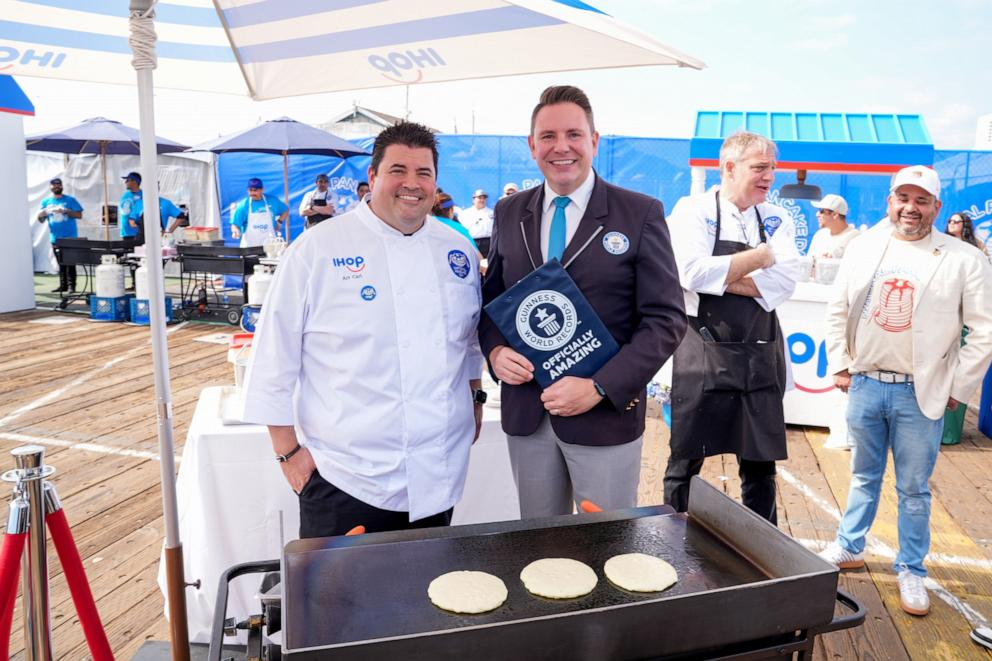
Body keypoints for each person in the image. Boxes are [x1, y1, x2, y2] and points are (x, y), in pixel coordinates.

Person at [240, 122, 485, 539]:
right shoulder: (317, 249)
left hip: (435, 476)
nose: (411, 184)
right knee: (338, 602)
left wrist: (475, 401)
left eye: (423, 173)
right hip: (344, 479)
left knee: (428, 596)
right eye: (397, 170)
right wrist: (289, 456)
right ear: (372, 177)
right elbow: (272, 359)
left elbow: (469, 343)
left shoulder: (456, 248)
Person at [480, 85, 687, 518]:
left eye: (573, 134)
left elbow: (666, 320)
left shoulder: (639, 213)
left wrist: (598, 387)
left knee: (607, 549)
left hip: (604, 419)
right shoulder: (509, 212)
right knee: (538, 550)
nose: (562, 147)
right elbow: (491, 300)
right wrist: (496, 350)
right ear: (532, 145)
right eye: (548, 136)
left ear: (594, 141)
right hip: (528, 413)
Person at [819, 165, 992, 616]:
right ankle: (849, 545)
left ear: (936, 206)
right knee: (862, 474)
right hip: (866, 384)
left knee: (914, 489)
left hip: (922, 393)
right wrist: (840, 362)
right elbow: (838, 306)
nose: (910, 208)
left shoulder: (962, 257)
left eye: (921, 200)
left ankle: (912, 569)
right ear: (889, 201)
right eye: (903, 198)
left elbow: (984, 329)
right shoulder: (866, 246)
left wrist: (959, 386)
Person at [664, 131, 801, 524]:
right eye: (760, 168)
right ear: (728, 167)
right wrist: (759, 257)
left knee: (761, 468)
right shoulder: (693, 210)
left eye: (772, 168)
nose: (769, 177)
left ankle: (764, 552)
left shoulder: (777, 217)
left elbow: (785, 282)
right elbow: (688, 271)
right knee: (684, 461)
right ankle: (672, 538)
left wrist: (720, 277)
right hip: (702, 354)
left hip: (759, 353)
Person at [37, 177, 83, 293]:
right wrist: (41, 215)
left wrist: (65, 211)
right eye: (54, 185)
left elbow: (79, 215)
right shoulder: (46, 202)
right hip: (55, 238)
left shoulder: (70, 200)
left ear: (62, 186)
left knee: (71, 262)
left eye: (59, 184)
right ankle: (63, 286)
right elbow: (41, 220)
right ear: (50, 187)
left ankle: (72, 286)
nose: (56, 186)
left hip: (70, 237)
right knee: (61, 262)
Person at [230, 178, 289, 247]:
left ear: (262, 189)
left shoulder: (272, 201)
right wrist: (235, 231)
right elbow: (235, 224)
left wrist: (279, 222)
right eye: (250, 190)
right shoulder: (243, 205)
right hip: (249, 247)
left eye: (255, 190)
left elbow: (286, 210)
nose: (252, 193)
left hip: (270, 246)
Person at [808, 193, 860, 259]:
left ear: (835, 215)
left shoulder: (856, 238)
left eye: (821, 211)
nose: (817, 214)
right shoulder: (819, 235)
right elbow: (809, 263)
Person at [461, 188, 494, 255]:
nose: (482, 200)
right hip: (473, 242)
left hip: (489, 242)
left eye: (484, 198)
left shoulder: (492, 212)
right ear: (473, 199)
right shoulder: (465, 213)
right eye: (479, 198)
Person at [118, 172, 143, 240]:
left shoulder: (143, 195)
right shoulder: (125, 195)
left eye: (127, 180)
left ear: (134, 181)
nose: (125, 182)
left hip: (138, 233)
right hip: (125, 233)